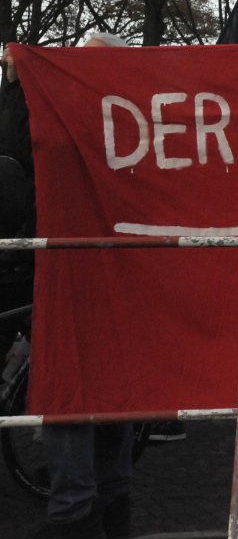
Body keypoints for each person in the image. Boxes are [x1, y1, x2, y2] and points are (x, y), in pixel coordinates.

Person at [4, 33, 139, 539]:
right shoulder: (130, 121)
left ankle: (75, 513)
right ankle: (111, 503)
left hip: (70, 268)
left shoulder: (62, 118)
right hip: (127, 269)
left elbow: (21, 147)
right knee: (116, 388)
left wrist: (21, 83)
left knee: (68, 384)